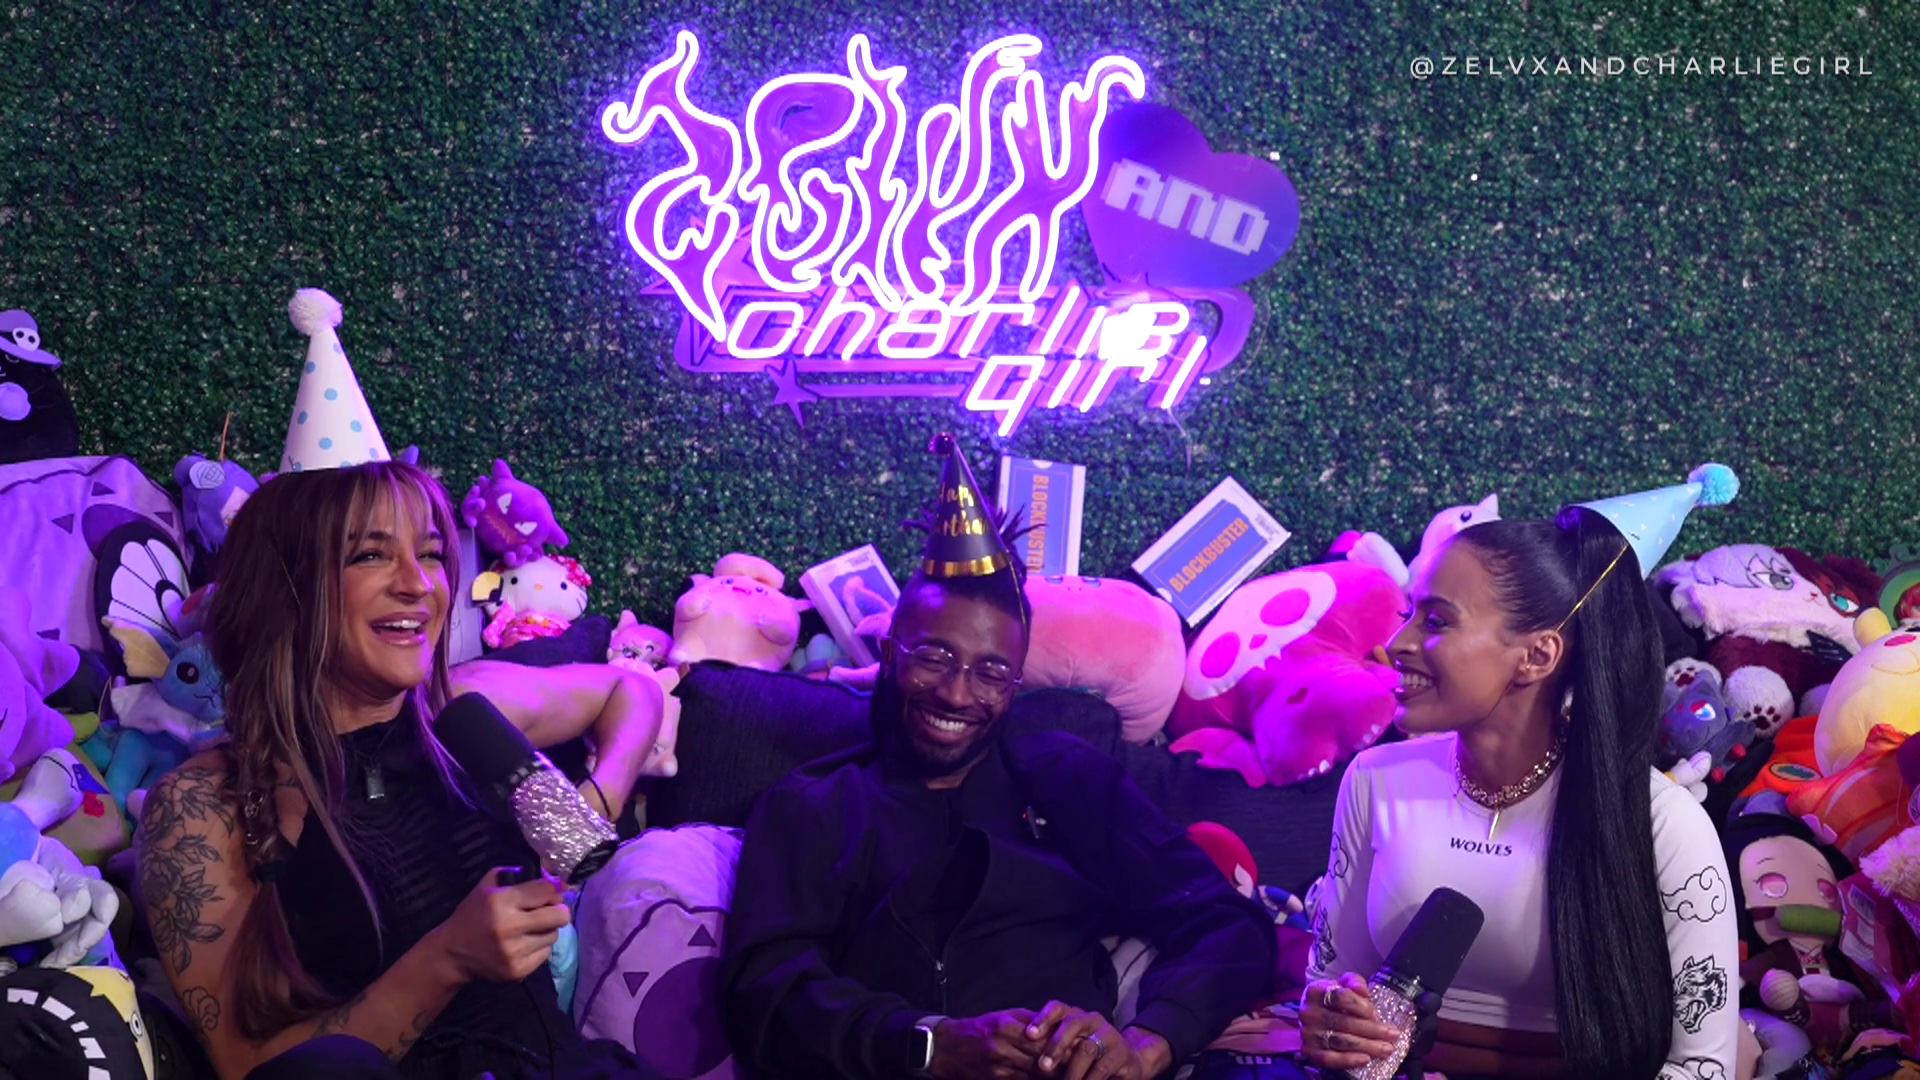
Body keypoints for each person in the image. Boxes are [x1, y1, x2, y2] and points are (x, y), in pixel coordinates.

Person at [720, 435, 1277, 1080]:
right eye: (934, 658)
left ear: (1014, 686)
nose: (958, 694)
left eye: (991, 673)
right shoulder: (814, 804)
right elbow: (766, 995)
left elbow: (1227, 923)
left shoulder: (1065, 779)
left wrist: (1144, 1047)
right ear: (891, 655)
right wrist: (930, 1045)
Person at [135, 461, 666, 1080]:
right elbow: (247, 1066)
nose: (419, 585)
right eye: (370, 556)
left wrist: (594, 802)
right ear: (285, 589)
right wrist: (447, 960)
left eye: (431, 554)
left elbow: (631, 691)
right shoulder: (200, 805)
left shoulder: (461, 710)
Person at [1296, 501, 1741, 1080]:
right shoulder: (1374, 780)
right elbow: (1332, 984)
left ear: (1537, 655)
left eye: (1436, 621)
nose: (1397, 643)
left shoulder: (1662, 823)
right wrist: (1333, 1021)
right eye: (1409, 614)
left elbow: (1701, 1067)